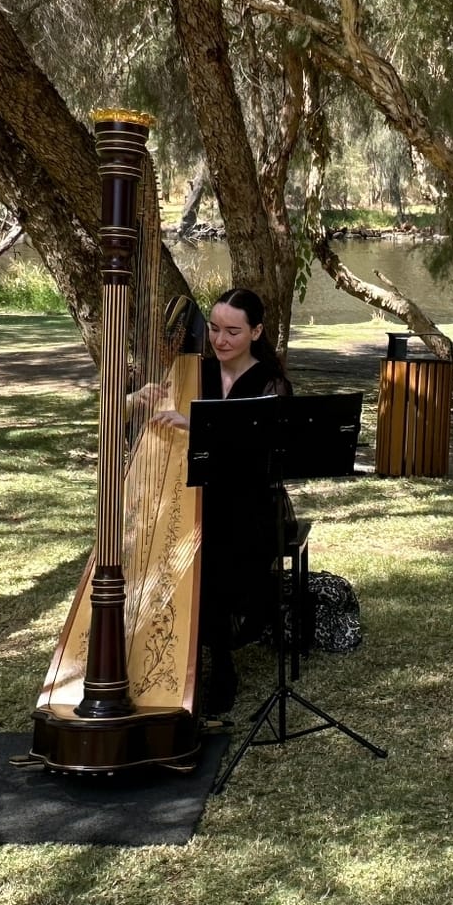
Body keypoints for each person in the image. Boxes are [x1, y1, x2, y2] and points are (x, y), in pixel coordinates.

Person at [137, 287, 292, 721]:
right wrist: (143, 399)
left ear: (257, 331)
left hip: (248, 500)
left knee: (218, 545)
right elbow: (154, 418)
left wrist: (199, 426)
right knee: (174, 540)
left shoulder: (271, 385)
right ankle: (180, 647)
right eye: (216, 330)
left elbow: (262, 458)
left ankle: (219, 663)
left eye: (233, 332)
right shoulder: (194, 371)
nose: (220, 340)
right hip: (195, 489)